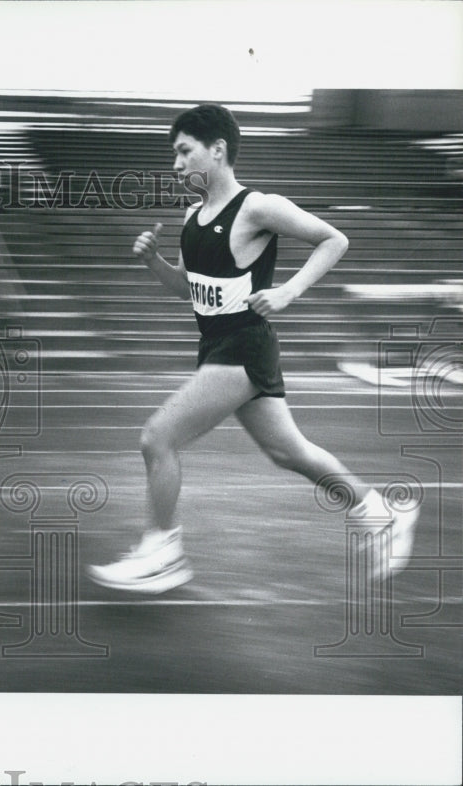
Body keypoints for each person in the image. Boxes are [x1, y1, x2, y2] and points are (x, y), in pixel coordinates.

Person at [88, 104, 418, 593]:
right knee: (289, 452)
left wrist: (289, 291)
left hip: (244, 346)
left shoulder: (257, 207)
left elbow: (334, 239)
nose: (175, 164)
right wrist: (154, 262)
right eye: (173, 154)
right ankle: (380, 511)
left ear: (217, 150)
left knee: (158, 438)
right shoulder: (192, 217)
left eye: (184, 151)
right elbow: (188, 288)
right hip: (219, 345)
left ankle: (163, 551)